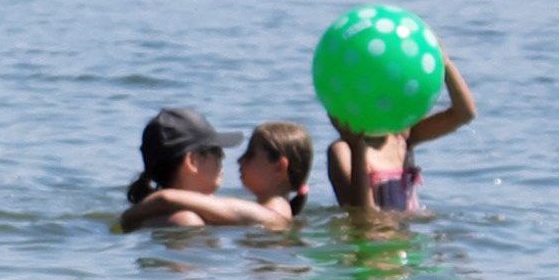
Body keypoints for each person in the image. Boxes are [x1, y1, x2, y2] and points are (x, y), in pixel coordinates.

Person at [325, 51, 478, 222]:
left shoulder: (401, 138)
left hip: (405, 243)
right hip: (371, 245)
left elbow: (464, 114)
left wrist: (445, 62)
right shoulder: (342, 150)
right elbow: (363, 217)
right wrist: (357, 146)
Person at [121, 105, 290, 231]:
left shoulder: (157, 209)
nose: (223, 157)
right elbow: (275, 221)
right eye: (216, 151)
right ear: (192, 161)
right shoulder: (186, 220)